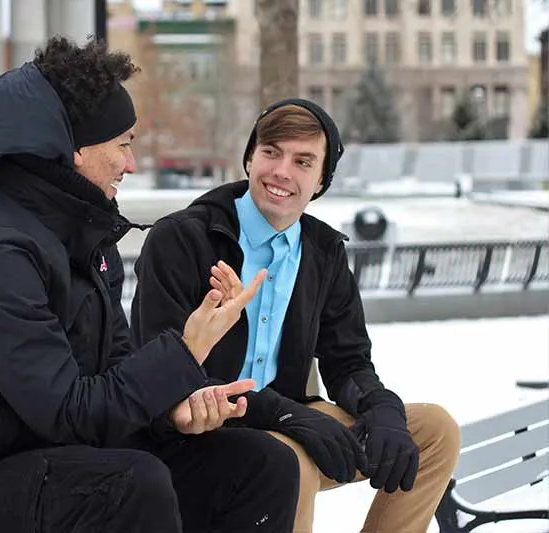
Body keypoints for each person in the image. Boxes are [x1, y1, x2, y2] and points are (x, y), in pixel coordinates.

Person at [0, 36, 302, 533]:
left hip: (56, 459)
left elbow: (112, 377)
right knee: (132, 483)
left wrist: (174, 412)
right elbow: (68, 412)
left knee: (260, 465)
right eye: (123, 143)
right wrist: (186, 350)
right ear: (75, 150)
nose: (131, 163)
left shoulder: (83, 236)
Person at [131, 98, 462, 533]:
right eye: (271, 152)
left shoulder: (322, 253)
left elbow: (348, 362)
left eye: (303, 161)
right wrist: (285, 414)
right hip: (201, 428)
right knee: (289, 460)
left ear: (321, 179)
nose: (282, 172)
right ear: (250, 157)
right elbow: (160, 368)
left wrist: (381, 409)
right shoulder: (184, 238)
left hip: (291, 419)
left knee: (434, 430)